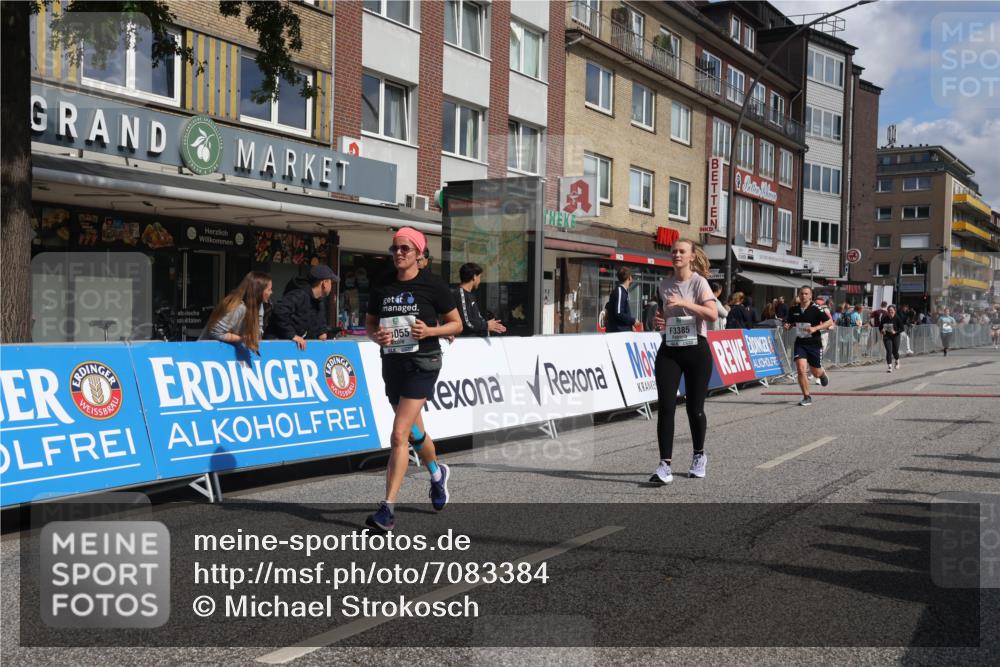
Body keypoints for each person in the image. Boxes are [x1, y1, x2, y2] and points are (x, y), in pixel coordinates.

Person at [365, 227, 463, 532]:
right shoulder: (381, 285)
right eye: (395, 248)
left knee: (399, 434)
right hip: (393, 364)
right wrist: (377, 336)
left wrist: (430, 331)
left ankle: (387, 510)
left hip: (424, 363)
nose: (398, 254)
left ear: (419, 254)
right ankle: (436, 472)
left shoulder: (433, 286)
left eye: (405, 249)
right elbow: (369, 324)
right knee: (415, 432)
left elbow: (456, 324)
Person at [648, 238, 718, 485]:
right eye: (674, 251)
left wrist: (685, 303)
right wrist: (661, 320)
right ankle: (664, 465)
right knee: (666, 407)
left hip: (696, 350)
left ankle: (699, 455)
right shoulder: (663, 284)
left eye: (681, 251)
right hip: (670, 348)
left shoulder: (699, 282)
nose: (677, 255)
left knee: (694, 409)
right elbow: (664, 314)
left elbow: (712, 314)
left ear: (691, 256)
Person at [783, 285, 834, 407]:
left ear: (811, 296)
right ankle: (806, 396)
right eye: (801, 293)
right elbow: (789, 322)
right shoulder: (793, 309)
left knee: (815, 372)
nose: (803, 296)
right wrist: (787, 326)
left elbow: (829, 322)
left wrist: (815, 328)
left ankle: (821, 374)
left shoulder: (817, 308)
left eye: (806, 294)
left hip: (814, 343)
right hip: (800, 342)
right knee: (801, 369)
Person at [199, 271, 272, 354]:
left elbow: (258, 331)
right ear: (258, 291)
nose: (271, 292)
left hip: (228, 353)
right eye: (269, 289)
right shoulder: (238, 307)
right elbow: (216, 332)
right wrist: (242, 339)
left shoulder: (259, 305)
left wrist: (253, 337)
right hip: (208, 353)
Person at [268, 264, 338, 350]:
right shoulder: (299, 294)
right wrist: (292, 335)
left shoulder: (319, 301)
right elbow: (279, 311)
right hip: (277, 346)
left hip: (297, 350)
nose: (332, 286)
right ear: (324, 283)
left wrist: (322, 332)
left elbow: (319, 323)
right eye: (331, 282)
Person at [454, 262, 506, 336]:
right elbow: (466, 323)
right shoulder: (460, 293)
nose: (480, 281)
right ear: (474, 277)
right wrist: (486, 325)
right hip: (466, 343)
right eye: (480, 277)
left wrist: (491, 325)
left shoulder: (470, 294)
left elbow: (477, 318)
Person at [604, 267, 636, 332]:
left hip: (620, 331)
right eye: (632, 276)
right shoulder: (620, 291)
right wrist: (633, 321)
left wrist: (630, 325)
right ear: (629, 278)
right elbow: (619, 313)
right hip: (619, 332)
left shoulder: (622, 291)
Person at [880, 304, 906, 372]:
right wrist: (882, 330)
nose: (890, 312)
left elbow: (902, 328)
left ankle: (897, 361)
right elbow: (880, 327)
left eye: (891, 310)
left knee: (895, 351)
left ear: (894, 311)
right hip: (887, 336)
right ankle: (889, 367)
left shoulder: (897, 318)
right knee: (889, 351)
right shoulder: (885, 318)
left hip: (895, 336)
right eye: (889, 310)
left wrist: (896, 332)